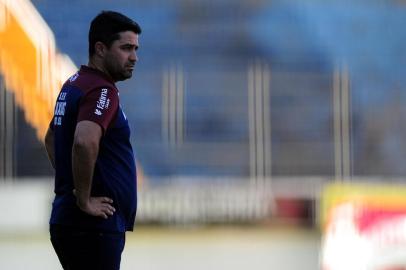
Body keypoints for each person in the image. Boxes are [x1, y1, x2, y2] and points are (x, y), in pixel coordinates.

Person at [44, 10, 141, 270]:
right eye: (126, 48)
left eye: (135, 49)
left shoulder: (75, 84)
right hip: (93, 227)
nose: (134, 57)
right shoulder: (101, 90)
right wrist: (84, 198)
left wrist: (73, 180)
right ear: (100, 48)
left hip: (71, 221)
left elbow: (52, 136)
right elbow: (84, 142)